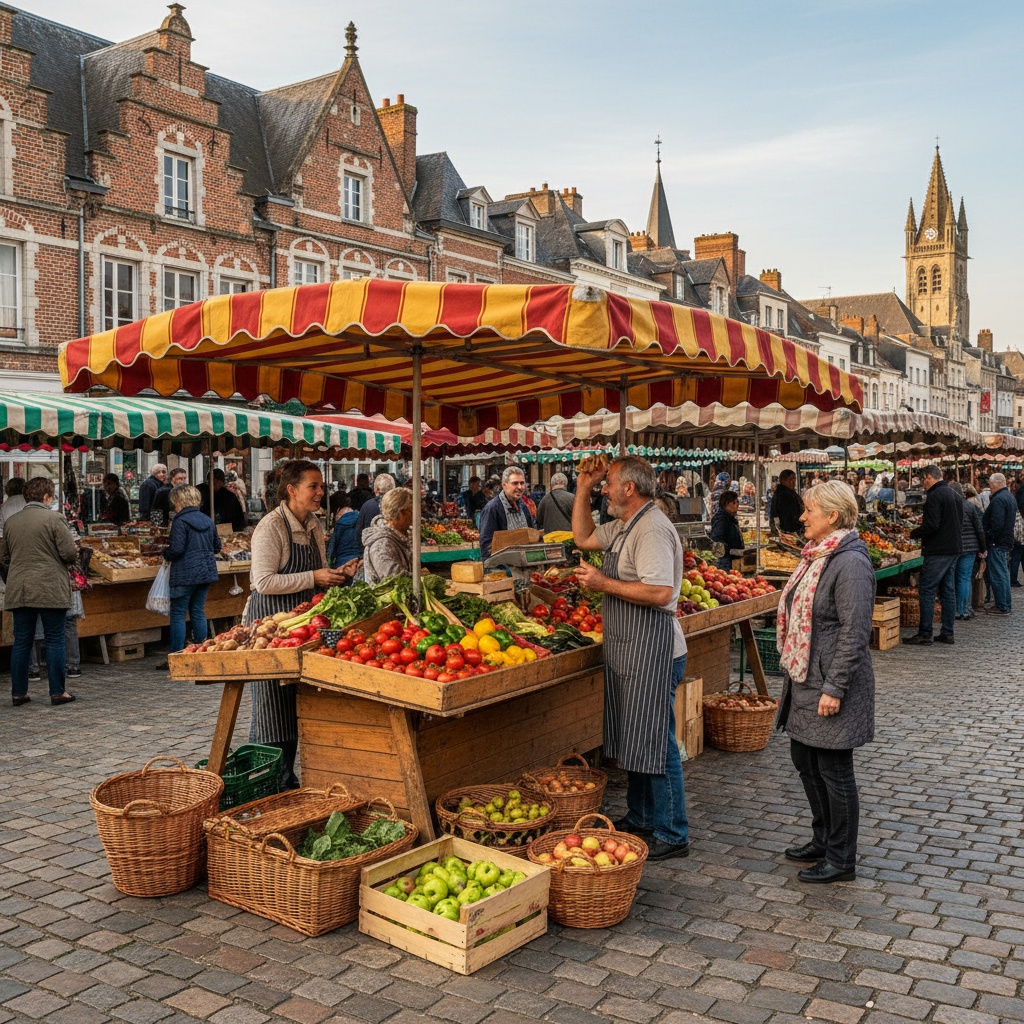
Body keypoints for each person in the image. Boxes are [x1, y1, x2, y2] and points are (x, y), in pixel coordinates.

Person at [570, 456, 688, 861]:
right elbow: (583, 538)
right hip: (629, 649)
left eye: (608, 484)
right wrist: (584, 486)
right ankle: (640, 817)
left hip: (654, 650)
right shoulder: (624, 525)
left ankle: (673, 833)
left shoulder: (652, 528)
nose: (606, 488)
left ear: (629, 489)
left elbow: (660, 592)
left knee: (656, 741)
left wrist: (602, 582)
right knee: (636, 738)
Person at [775, 480, 875, 883]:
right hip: (806, 676)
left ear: (832, 516)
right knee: (805, 761)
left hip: (831, 681)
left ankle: (841, 859)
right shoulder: (818, 554)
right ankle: (822, 838)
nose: (801, 517)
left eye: (808, 511)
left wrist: (834, 688)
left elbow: (855, 631)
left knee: (834, 769)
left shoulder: (849, 561)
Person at [247, 460, 359, 788]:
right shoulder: (271, 527)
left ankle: (290, 783)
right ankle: (269, 785)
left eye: (321, 486)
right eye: (314, 486)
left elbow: (318, 576)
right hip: (271, 630)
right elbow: (263, 582)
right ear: (292, 490)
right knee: (271, 711)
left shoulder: (313, 525)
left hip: (303, 630)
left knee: (297, 707)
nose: (321, 492)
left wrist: (337, 575)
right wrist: (314, 576)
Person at [0, 477, 79, 706]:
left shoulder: (12, 521)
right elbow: (69, 554)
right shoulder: (55, 519)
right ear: (47, 496)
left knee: (22, 641)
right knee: (54, 639)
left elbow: (4, 557)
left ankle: (18, 693)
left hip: (20, 588)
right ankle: (57, 692)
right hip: (49, 587)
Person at [905, 465, 963, 645]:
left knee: (927, 589)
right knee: (947, 591)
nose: (922, 483)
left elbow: (932, 525)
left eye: (923, 479)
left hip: (938, 550)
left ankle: (925, 633)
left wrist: (914, 533)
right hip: (953, 549)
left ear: (929, 477)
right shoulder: (954, 494)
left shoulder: (935, 496)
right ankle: (947, 632)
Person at [163, 483, 221, 653]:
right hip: (206, 572)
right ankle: (201, 651)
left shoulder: (180, 521)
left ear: (179, 500)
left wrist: (166, 553)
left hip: (185, 573)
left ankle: (176, 654)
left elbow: (177, 549)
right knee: (197, 610)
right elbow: (217, 547)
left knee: (178, 613)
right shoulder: (207, 520)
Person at [478, 466, 537, 562]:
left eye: (522, 483)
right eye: (515, 483)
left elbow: (532, 531)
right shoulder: (492, 508)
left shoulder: (523, 506)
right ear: (504, 485)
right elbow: (486, 546)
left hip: (524, 564)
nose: (520, 487)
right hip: (503, 568)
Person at [362, 487, 415, 583]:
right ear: (401, 513)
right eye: (411, 511)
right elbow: (393, 578)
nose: (415, 515)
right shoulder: (381, 544)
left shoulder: (403, 534)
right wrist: (423, 580)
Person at [982, 472, 1016, 616]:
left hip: (998, 543)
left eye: (990, 485)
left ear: (996, 484)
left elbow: (997, 524)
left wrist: (988, 538)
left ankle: (1002, 606)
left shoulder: (999, 499)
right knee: (1002, 574)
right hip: (1004, 541)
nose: (990, 488)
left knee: (998, 575)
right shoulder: (1008, 496)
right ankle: (1004, 604)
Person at [955, 483, 985, 620]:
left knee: (957, 578)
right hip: (971, 548)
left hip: (955, 548)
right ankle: (966, 609)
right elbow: (979, 529)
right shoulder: (970, 506)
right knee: (965, 578)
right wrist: (982, 548)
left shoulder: (950, 508)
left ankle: (959, 610)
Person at [354, 473, 396, 555]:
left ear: (376, 490)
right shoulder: (398, 505)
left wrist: (364, 551)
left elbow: (358, 532)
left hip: (372, 554)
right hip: (394, 554)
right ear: (393, 489)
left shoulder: (367, 506)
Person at [710, 490, 744, 571]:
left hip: (732, 559)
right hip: (725, 562)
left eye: (737, 503)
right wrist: (731, 551)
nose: (737, 505)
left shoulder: (729, 517)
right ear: (726, 504)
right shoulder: (721, 518)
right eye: (734, 503)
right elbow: (717, 540)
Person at [327, 491, 360, 568]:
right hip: (359, 563)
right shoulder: (361, 519)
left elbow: (331, 549)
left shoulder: (340, 523)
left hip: (342, 564)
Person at [770, 470, 805, 534]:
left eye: (794, 478)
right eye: (790, 479)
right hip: (788, 531)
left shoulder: (790, 493)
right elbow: (787, 517)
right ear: (783, 481)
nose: (793, 482)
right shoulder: (783, 495)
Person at [1011, 479, 1024, 588]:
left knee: (1017, 556)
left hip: (1020, 530)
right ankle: (1013, 580)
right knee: (1018, 555)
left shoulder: (1019, 492)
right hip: (1021, 530)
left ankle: (1013, 579)